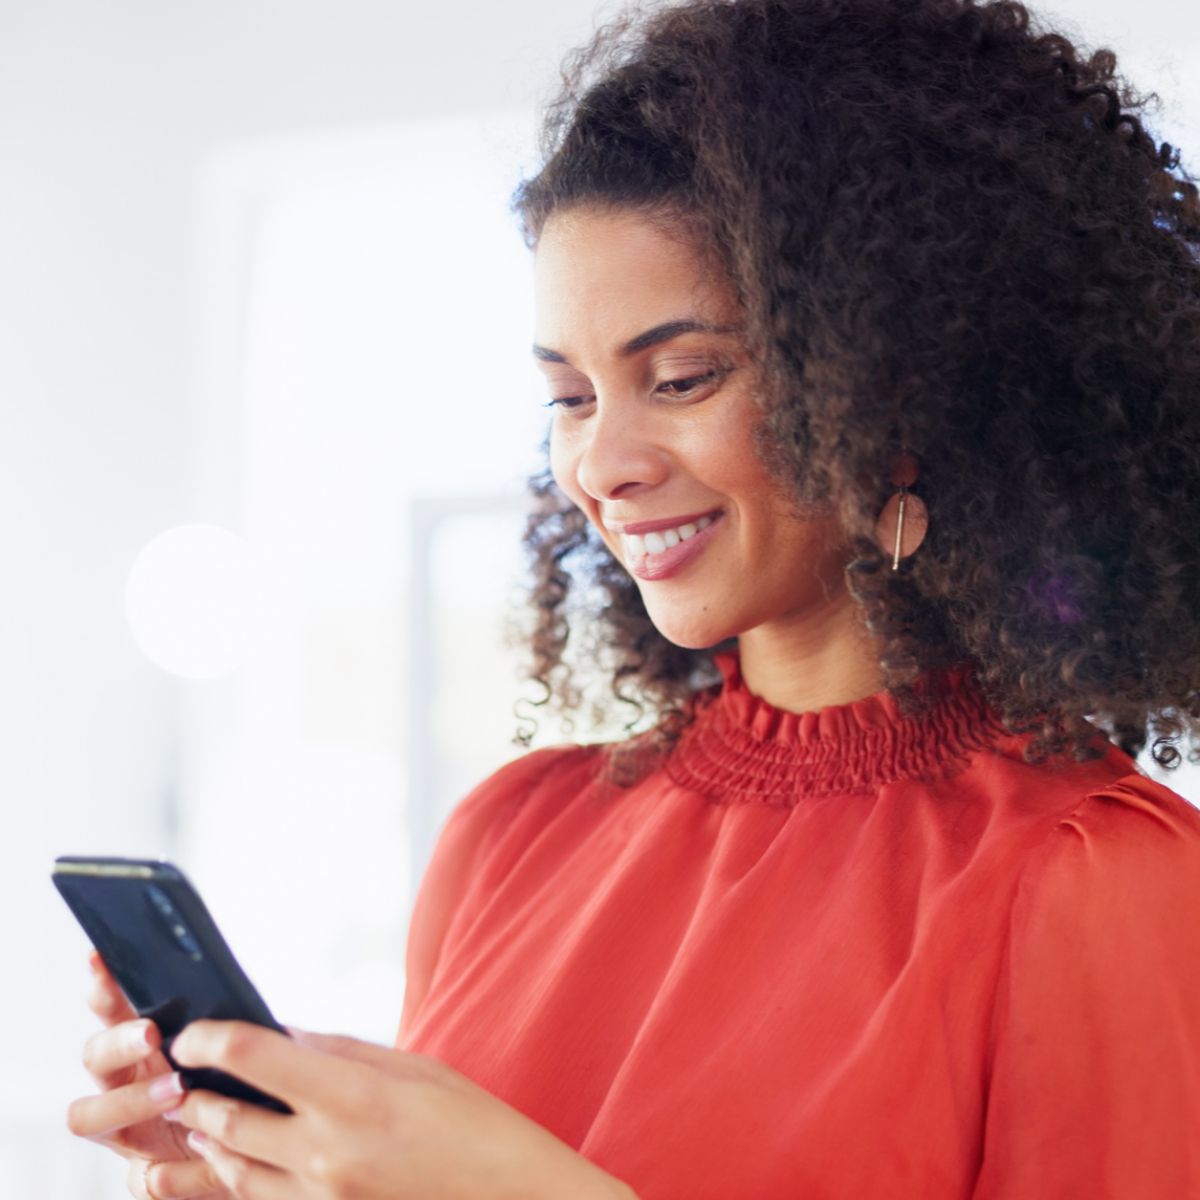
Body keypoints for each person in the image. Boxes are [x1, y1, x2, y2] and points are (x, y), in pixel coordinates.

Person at [68, 0, 1200, 1196]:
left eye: (680, 377)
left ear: (897, 384)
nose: (602, 465)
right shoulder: (509, 841)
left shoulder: (1092, 883)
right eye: (569, 396)